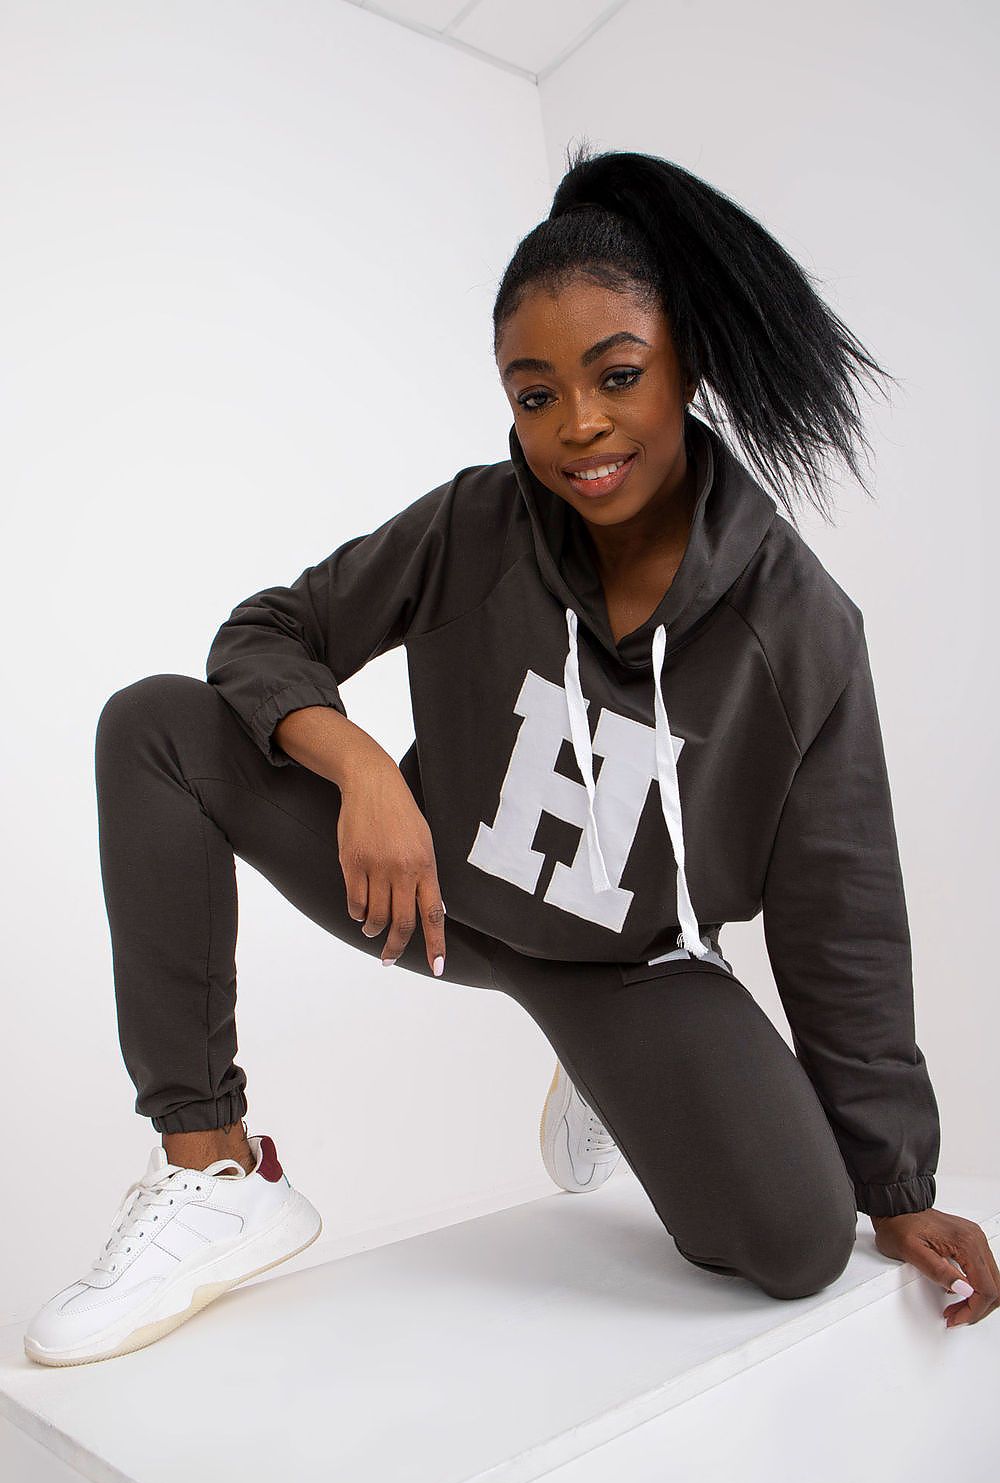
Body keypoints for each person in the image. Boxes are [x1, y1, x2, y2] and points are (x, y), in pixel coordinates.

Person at [24, 143, 997, 1368]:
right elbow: (265, 632)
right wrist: (363, 769)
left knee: (798, 1246)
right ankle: (215, 1170)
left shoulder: (801, 629)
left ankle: (608, 1073)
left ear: (686, 363)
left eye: (617, 376)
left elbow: (842, 919)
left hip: (630, 970)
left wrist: (897, 1186)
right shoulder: (478, 522)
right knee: (153, 725)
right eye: (534, 396)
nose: (577, 426)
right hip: (427, 896)